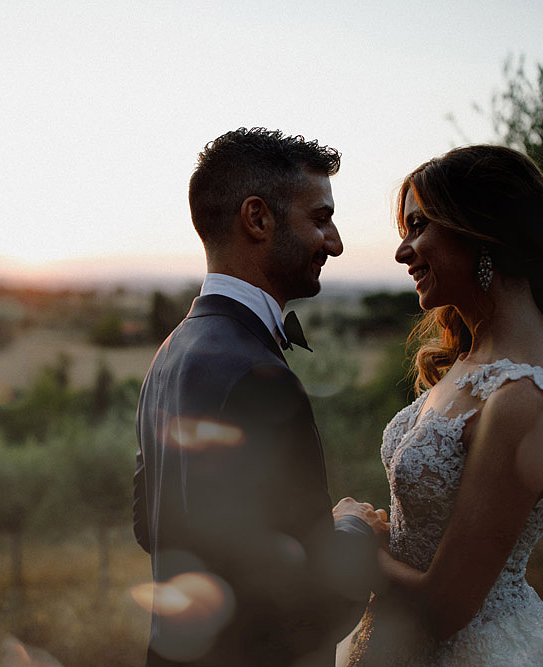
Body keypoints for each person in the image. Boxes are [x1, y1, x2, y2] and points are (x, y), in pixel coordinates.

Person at [133, 127, 388, 667]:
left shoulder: (172, 351)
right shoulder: (256, 375)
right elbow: (308, 608)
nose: (336, 242)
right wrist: (356, 530)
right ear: (257, 219)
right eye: (320, 218)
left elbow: (149, 524)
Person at [341, 145, 543, 666]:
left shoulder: (526, 397)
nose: (403, 251)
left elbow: (447, 607)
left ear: (480, 233)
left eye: (419, 226)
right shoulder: (472, 357)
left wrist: (361, 550)